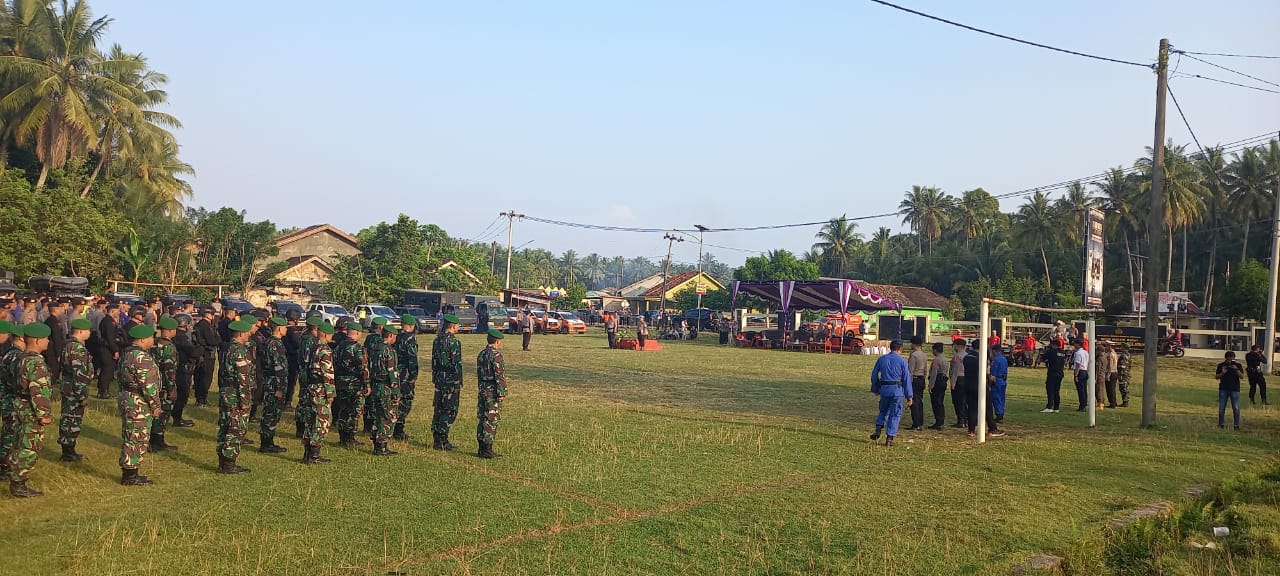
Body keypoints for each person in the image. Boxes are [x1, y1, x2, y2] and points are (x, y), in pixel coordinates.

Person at [7, 323, 53, 497]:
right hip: (31, 409)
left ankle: (15, 478)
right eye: (46, 338)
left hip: (20, 404)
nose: (48, 341)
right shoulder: (35, 362)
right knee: (29, 447)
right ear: (37, 340)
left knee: (19, 442)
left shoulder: (20, 357)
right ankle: (18, 484)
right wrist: (44, 414)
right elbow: (38, 390)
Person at [116, 323, 164, 486]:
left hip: (129, 398)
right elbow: (148, 385)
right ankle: (130, 474)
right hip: (138, 402)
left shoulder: (128, 353)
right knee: (137, 436)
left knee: (132, 434)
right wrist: (155, 405)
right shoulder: (141, 357)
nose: (153, 340)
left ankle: (131, 471)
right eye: (151, 337)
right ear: (143, 339)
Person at [216, 319, 255, 474]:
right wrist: (245, 400)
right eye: (246, 333)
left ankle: (222, 461)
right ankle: (229, 464)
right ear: (240, 333)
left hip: (226, 391)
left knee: (225, 426)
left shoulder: (227, 348)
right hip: (236, 394)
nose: (248, 335)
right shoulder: (239, 350)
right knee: (236, 428)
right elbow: (243, 377)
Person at [56, 318, 94, 462]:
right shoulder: (77, 348)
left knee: (67, 418)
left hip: (67, 386)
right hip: (74, 389)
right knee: (72, 420)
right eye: (88, 331)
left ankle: (67, 450)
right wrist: (82, 394)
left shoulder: (68, 345)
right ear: (80, 331)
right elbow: (80, 374)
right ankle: (68, 452)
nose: (89, 333)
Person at [299, 320, 336, 464]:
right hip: (321, 389)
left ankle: (307, 453)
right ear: (326, 334)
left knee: (310, 420)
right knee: (322, 421)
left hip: (311, 387)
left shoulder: (312, 347)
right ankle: (314, 454)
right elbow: (328, 373)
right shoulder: (325, 350)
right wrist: (330, 392)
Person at [332, 321, 369, 448]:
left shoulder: (338, 346)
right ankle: (350, 437)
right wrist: (367, 384)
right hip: (354, 384)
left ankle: (342, 437)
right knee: (355, 411)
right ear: (357, 333)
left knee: (343, 410)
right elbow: (362, 368)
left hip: (340, 382)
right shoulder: (357, 348)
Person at [869, 340, 912, 446]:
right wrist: (909, 396)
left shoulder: (882, 359)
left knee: (883, 410)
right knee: (895, 414)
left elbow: (874, 375)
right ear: (900, 349)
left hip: (884, 389)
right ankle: (890, 438)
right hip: (897, 390)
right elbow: (906, 379)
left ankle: (878, 428)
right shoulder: (903, 361)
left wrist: (875, 388)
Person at [257, 317, 289, 453]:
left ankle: (267, 441)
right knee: (272, 413)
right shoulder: (276, 344)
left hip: (268, 380)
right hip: (275, 383)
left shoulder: (266, 341)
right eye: (285, 327)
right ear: (280, 328)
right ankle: (267, 443)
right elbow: (279, 368)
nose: (287, 329)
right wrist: (280, 388)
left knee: (268, 412)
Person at [431, 314, 463, 450]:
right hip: (450, 379)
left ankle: (437, 437)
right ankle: (442, 439)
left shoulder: (437, 340)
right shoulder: (453, 342)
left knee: (439, 407)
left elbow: (433, 361)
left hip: (439, 377)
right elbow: (456, 364)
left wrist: (435, 377)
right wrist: (458, 382)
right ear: (453, 326)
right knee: (449, 409)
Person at [147, 317, 179, 451]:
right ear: (171, 330)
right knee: (163, 412)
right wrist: (171, 388)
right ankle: (157, 441)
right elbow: (168, 369)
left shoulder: (154, 343)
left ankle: (152, 440)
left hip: (152, 382)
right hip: (164, 384)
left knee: (153, 410)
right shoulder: (169, 347)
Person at [369, 324, 400, 456]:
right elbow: (392, 373)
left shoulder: (375, 348)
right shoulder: (389, 351)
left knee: (377, 415)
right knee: (388, 416)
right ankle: (382, 445)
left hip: (375, 385)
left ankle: (376, 443)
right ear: (391, 335)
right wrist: (396, 392)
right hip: (386, 387)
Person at [476, 328, 507, 459]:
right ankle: (487, 449)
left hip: (482, 388)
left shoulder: (481, 354)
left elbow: (479, 373)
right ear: (497, 341)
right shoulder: (496, 356)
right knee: (491, 419)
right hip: (492, 390)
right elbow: (499, 376)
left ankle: (481, 447)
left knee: (482, 417)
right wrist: (501, 392)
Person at [963, 340, 1004, 438]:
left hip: (968, 384)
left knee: (972, 408)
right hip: (980, 385)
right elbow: (985, 371)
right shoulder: (981, 358)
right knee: (988, 408)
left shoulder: (966, 357)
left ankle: (971, 430)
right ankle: (992, 428)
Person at [0, 321, 25, 483]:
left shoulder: (9, 352)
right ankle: (4, 466)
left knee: (9, 430)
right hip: (11, 398)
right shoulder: (16, 356)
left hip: (7, 397)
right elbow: (15, 382)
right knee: (10, 433)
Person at [393, 315, 419, 441]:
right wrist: (414, 375)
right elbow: (412, 358)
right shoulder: (410, 339)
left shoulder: (395, 335)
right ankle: (398, 430)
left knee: (395, 399)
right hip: (405, 374)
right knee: (405, 402)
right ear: (411, 325)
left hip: (394, 372)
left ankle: (392, 427)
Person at [171, 314, 197, 427]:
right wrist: (201, 348)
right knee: (183, 394)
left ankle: (177, 417)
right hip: (183, 369)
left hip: (179, 368)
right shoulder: (181, 338)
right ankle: (178, 418)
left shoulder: (175, 336)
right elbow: (192, 352)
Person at [192, 307, 220, 407]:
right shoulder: (206, 326)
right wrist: (218, 338)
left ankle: (200, 399)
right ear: (208, 314)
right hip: (207, 354)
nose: (213, 316)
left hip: (200, 353)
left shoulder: (198, 324)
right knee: (205, 378)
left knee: (199, 377)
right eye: (212, 314)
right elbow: (212, 341)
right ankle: (202, 399)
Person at [96, 303, 123, 399]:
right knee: (108, 370)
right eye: (117, 311)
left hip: (107, 348)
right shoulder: (108, 322)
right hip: (107, 349)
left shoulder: (108, 320)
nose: (119, 313)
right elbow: (110, 338)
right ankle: (103, 391)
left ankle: (103, 390)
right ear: (112, 311)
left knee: (106, 370)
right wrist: (115, 350)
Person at [1216, 351, 1243, 431]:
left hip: (1235, 389)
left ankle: (1236, 425)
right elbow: (1217, 376)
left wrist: (1236, 369)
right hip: (1223, 388)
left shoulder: (1238, 365)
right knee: (1222, 407)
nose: (1230, 361)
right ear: (1225, 358)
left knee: (1236, 408)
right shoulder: (1221, 365)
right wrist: (1223, 372)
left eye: (1231, 360)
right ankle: (1221, 424)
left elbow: (1242, 376)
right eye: (1228, 360)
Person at [41, 299, 66, 383]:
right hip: (52, 351)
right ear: (56, 309)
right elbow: (56, 337)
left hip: (51, 349)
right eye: (60, 308)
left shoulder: (52, 320)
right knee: (53, 370)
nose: (61, 310)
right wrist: (58, 353)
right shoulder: (53, 321)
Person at [906, 337, 928, 431]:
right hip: (921, 379)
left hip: (914, 379)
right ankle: (920, 421)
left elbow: (910, 370)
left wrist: (908, 383)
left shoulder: (914, 355)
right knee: (919, 401)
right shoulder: (924, 355)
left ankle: (916, 423)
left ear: (914, 344)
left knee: (914, 402)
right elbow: (926, 369)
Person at [926, 342, 948, 430]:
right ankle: (941, 420)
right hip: (943, 380)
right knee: (940, 402)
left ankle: (938, 421)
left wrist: (930, 386)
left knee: (936, 403)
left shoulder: (936, 360)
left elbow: (934, 373)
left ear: (935, 350)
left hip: (937, 381)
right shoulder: (945, 359)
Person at [1041, 339, 1066, 413]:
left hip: (1052, 373)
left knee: (1050, 390)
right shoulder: (1063, 352)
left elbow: (1044, 358)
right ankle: (1056, 407)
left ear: (1054, 345)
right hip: (1060, 373)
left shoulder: (1051, 351)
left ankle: (1049, 407)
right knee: (1057, 391)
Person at [949, 339, 968, 428]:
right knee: (964, 401)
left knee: (958, 401)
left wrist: (952, 383)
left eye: (954, 345)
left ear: (958, 346)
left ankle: (960, 421)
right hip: (965, 379)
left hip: (958, 379)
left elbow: (954, 371)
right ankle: (965, 419)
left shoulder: (957, 357)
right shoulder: (967, 355)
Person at [990, 343, 1009, 422]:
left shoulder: (996, 359)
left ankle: (999, 415)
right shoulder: (1004, 359)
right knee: (1002, 398)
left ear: (994, 351)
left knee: (996, 397)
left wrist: (992, 382)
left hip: (997, 380)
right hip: (1003, 380)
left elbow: (993, 373)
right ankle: (1001, 413)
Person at [1071, 340, 1091, 412]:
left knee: (1080, 390)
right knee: (1084, 389)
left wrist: (1076, 375)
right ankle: (1084, 404)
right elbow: (1088, 362)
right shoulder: (1086, 352)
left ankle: (1082, 405)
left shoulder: (1078, 353)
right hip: (1085, 371)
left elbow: (1078, 364)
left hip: (1080, 372)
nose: (1074, 345)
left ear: (1078, 344)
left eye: (1075, 344)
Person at [1101, 342, 1119, 408]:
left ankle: (1113, 403)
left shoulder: (1111, 355)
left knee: (1110, 389)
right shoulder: (1115, 353)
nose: (1106, 347)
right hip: (1114, 372)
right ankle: (1113, 403)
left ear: (1110, 347)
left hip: (1111, 372)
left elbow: (1110, 366)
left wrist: (1108, 375)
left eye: (1107, 346)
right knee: (1112, 389)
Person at [1115, 343, 1132, 408]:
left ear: (1124, 348)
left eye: (1121, 347)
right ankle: (1125, 401)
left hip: (1123, 374)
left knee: (1123, 387)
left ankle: (1125, 402)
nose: (1120, 348)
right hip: (1127, 373)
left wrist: (1120, 374)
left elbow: (1122, 366)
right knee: (1125, 387)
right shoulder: (1129, 355)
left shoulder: (1123, 356)